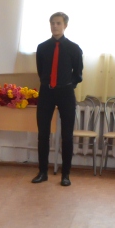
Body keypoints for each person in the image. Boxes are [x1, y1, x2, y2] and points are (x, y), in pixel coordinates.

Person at [32, 12, 83, 186]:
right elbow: (41, 71)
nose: (55, 26)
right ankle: (42, 172)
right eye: (52, 23)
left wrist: (67, 85)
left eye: (58, 23)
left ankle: (65, 174)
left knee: (67, 136)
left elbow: (78, 74)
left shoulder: (74, 48)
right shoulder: (42, 47)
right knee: (43, 134)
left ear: (65, 25)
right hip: (46, 92)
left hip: (66, 93)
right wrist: (49, 84)